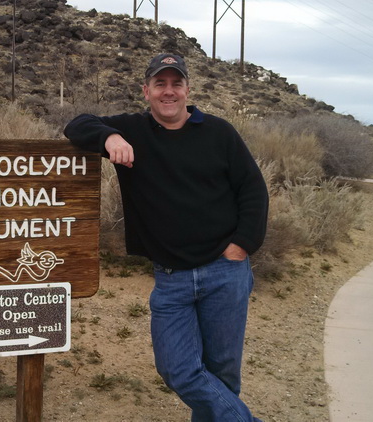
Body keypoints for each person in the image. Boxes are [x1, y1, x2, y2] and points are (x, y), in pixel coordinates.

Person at [64, 53, 268, 421]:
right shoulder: (133, 130)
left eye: (176, 84)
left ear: (188, 90)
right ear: (146, 91)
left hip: (225, 272)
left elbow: (252, 189)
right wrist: (108, 136)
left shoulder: (219, 132)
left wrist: (242, 246)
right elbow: (77, 125)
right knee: (178, 370)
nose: (169, 92)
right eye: (160, 84)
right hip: (171, 278)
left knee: (222, 374)